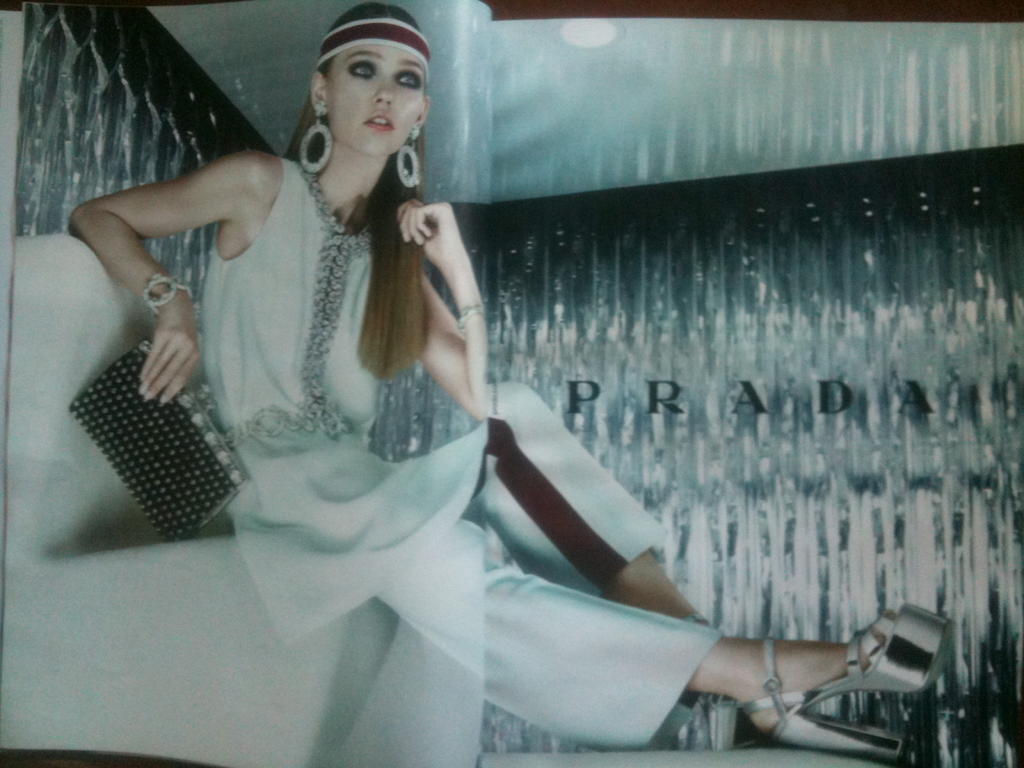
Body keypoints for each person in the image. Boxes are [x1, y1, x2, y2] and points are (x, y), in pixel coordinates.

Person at [69, 4, 950, 765]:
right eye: (364, 70)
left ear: (420, 114)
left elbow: (478, 395)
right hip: (263, 478)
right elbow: (98, 215)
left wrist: (456, 270)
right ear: (322, 89)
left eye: (408, 81)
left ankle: (729, 672)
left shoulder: (391, 257)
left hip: (344, 479)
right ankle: (752, 674)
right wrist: (171, 298)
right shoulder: (257, 185)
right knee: (463, 555)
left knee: (513, 416)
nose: (385, 94)